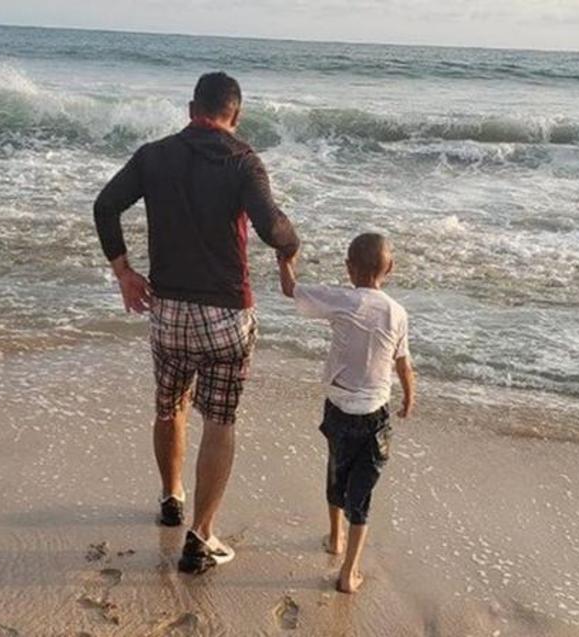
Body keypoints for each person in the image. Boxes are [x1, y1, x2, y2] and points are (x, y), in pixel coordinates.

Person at [93, 72, 300, 574]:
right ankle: (201, 536)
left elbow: (105, 206)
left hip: (168, 312)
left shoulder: (154, 155)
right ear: (236, 115)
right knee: (220, 422)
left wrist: (124, 273)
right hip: (226, 315)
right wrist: (291, 246)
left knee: (170, 407)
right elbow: (272, 227)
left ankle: (171, 497)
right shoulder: (243, 160)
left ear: (191, 110)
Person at [278, 233, 415, 593]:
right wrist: (409, 398)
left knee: (336, 472)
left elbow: (290, 289)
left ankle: (335, 536)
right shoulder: (397, 313)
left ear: (349, 268)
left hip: (338, 409)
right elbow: (403, 364)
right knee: (362, 494)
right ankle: (348, 572)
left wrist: (285, 258)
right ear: (390, 268)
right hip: (374, 416)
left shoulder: (341, 300)